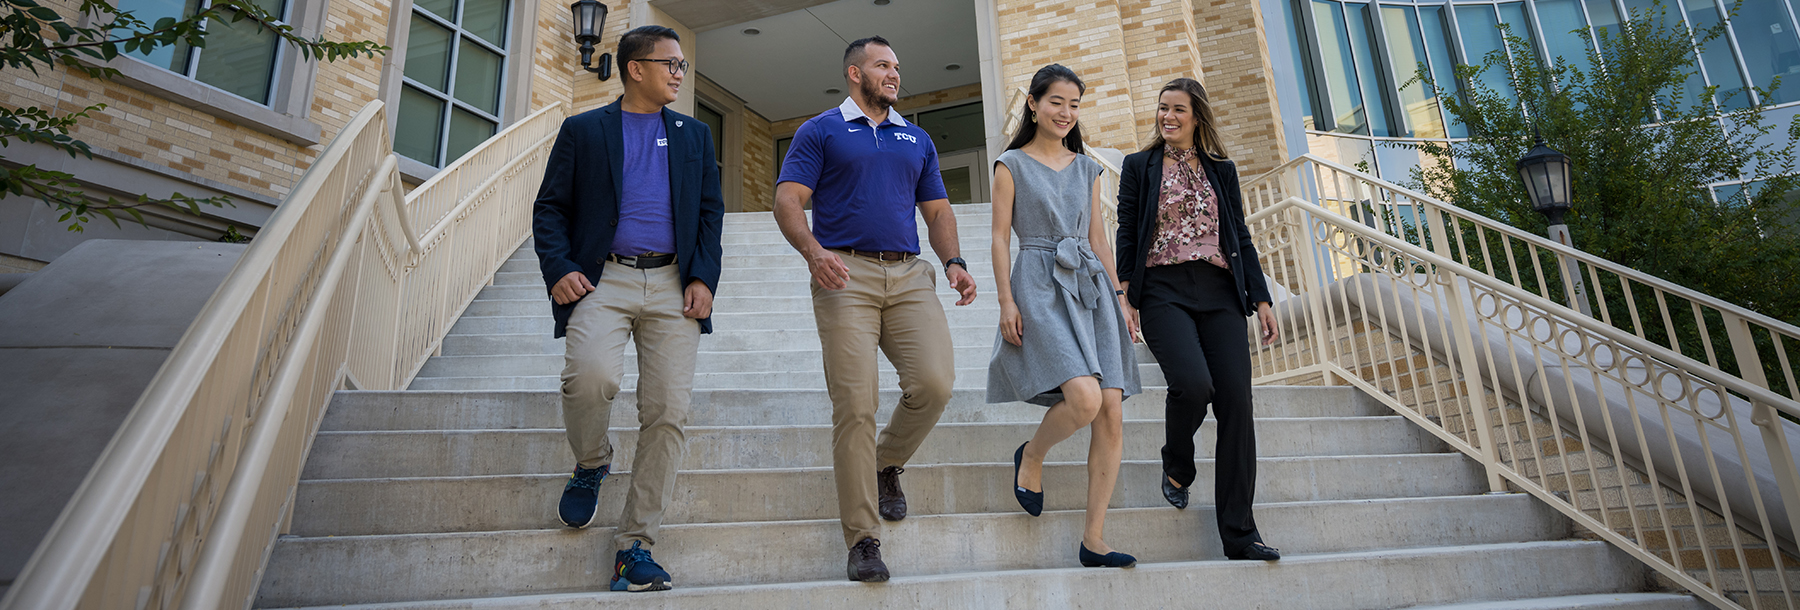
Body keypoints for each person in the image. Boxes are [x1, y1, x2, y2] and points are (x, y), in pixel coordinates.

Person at [773, 35, 978, 583]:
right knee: (855, 405)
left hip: (910, 273)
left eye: (896, 67)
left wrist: (953, 260)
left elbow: (935, 209)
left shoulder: (916, 135)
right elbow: (788, 200)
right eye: (882, 66)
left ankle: (886, 461)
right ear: (854, 73)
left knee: (934, 384)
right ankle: (863, 538)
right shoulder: (821, 130)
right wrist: (814, 254)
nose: (894, 74)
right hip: (844, 272)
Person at [530, 25, 724, 592]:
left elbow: (710, 214)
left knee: (667, 413)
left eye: (683, 65)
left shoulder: (694, 135)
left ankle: (634, 547)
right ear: (635, 68)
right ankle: (591, 463)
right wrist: (560, 267)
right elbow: (550, 209)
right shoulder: (583, 130)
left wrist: (705, 278)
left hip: (672, 284)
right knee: (590, 379)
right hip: (603, 279)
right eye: (671, 63)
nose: (680, 74)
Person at [1114, 77, 1282, 562]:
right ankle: (1177, 462)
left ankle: (1240, 534)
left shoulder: (1221, 170)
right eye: (1162, 108)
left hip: (1221, 292)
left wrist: (1262, 298)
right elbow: (1127, 230)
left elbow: (1241, 237)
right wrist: (1127, 292)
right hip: (1163, 288)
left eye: (1178, 110)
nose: (1168, 117)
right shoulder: (1138, 166)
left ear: (1197, 116)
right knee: (1192, 384)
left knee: (1235, 402)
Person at [986, 64, 1141, 569]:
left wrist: (1121, 297)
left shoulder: (1087, 168)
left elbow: (1097, 238)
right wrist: (1007, 301)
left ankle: (1093, 540)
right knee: (1085, 398)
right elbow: (999, 238)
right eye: (1056, 101)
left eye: (1074, 104)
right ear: (1033, 104)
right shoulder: (1010, 164)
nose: (1066, 113)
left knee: (1112, 413)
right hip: (1038, 283)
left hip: (1091, 287)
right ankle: (1031, 455)